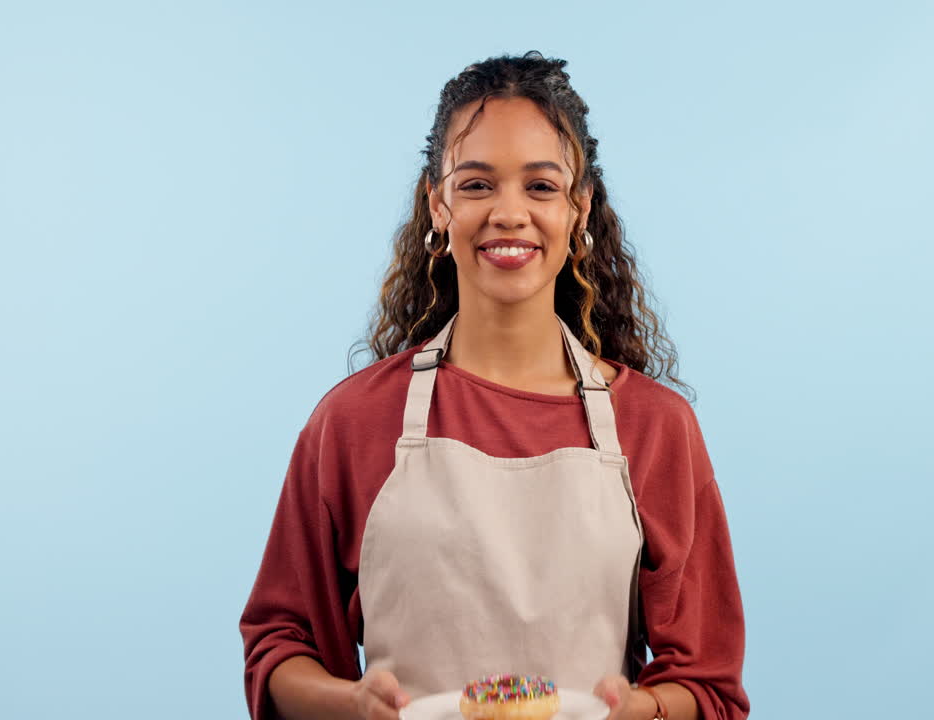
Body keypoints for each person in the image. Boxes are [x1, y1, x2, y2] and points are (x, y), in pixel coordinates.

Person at [239, 51, 750, 720]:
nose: (510, 213)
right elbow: (280, 645)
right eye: (477, 184)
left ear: (580, 208)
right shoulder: (354, 420)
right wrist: (353, 703)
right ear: (438, 204)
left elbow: (709, 684)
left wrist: (643, 709)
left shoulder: (655, 427)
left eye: (541, 186)